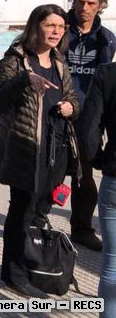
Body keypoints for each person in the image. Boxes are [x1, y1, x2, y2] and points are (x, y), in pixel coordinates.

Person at [0, 4, 78, 298]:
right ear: (36, 26)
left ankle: (32, 267)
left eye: (60, 27)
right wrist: (24, 79)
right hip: (25, 150)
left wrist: (71, 107)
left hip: (55, 150)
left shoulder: (59, 62)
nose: (56, 32)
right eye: (50, 25)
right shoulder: (15, 60)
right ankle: (14, 276)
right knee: (21, 213)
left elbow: (72, 98)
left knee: (40, 212)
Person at [66, 0, 115, 252]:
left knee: (84, 178)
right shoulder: (59, 30)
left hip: (86, 118)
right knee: (46, 175)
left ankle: (82, 229)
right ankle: (36, 227)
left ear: (101, 6)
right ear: (74, 2)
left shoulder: (106, 39)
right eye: (80, 2)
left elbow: (106, 82)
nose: (84, 8)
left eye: (91, 3)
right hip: (55, 113)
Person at [77, 56, 116, 315]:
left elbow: (88, 129)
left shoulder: (107, 74)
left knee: (112, 265)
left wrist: (100, 160)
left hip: (114, 178)